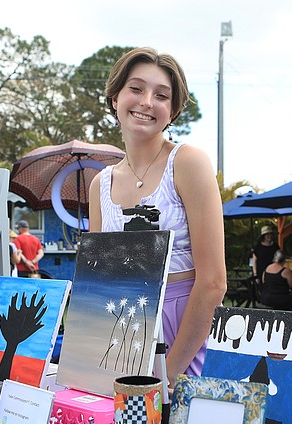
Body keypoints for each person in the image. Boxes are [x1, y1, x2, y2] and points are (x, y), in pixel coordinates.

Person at [88, 47, 227, 393]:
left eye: (161, 95)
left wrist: (169, 374)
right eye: (136, 88)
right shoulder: (99, 185)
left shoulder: (188, 162)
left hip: (187, 332)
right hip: (122, 336)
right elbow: (99, 285)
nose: (147, 102)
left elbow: (213, 282)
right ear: (115, 96)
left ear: (173, 111)